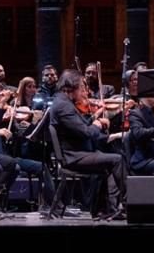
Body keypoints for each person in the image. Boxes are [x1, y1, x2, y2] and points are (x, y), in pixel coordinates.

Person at [50, 69, 126, 220]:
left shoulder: (63, 102)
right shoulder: (63, 106)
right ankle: (129, 205)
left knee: (110, 158)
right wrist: (97, 124)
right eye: (82, 88)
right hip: (73, 157)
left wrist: (94, 118)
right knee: (117, 160)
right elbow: (85, 133)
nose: (85, 92)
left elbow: (79, 127)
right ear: (71, 87)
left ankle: (101, 209)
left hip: (77, 152)